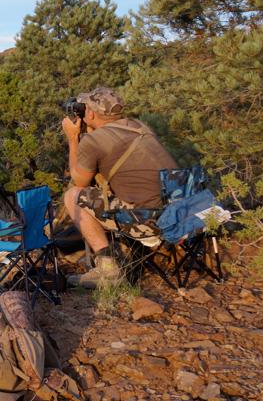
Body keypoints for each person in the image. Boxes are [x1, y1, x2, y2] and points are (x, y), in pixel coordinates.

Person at [61, 87, 177, 288]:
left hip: (147, 220)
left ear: (90, 113)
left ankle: (108, 270)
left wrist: (72, 139)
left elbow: (80, 181)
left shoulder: (94, 140)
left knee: (73, 196)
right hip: (177, 213)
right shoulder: (140, 126)